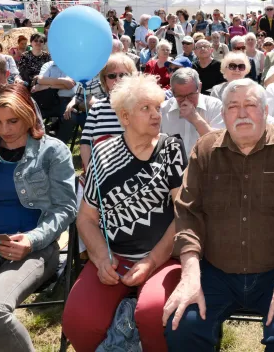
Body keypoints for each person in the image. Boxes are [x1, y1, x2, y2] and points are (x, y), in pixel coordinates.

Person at [163, 78, 274, 351]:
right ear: (223, 115)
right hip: (215, 272)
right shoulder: (206, 149)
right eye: (233, 107)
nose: (242, 113)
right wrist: (189, 273)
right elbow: (188, 212)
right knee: (182, 327)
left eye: (250, 105)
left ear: (266, 111)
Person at [62, 74, 187, 352]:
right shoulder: (103, 153)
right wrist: (100, 256)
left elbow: (184, 214)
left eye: (157, 107)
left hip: (164, 259)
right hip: (114, 260)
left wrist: (152, 262)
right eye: (146, 109)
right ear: (125, 117)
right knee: (78, 321)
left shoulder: (171, 149)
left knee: (154, 314)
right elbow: (86, 218)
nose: (156, 115)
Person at [0, 84, 77, 352]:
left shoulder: (52, 151)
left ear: (28, 114)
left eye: (13, 120)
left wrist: (30, 240)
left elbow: (65, 208)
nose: (5, 129)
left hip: (35, 249)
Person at [79, 55, 136, 170]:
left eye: (123, 75)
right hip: (102, 172)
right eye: (112, 75)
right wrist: (92, 172)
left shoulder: (141, 107)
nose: (118, 79)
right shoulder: (96, 108)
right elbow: (85, 143)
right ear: (104, 80)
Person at [161, 68, 224, 157]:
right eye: (180, 96)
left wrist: (195, 119)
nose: (186, 100)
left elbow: (219, 143)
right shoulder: (163, 109)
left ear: (200, 87)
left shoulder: (215, 106)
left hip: (206, 167)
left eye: (191, 95)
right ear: (172, 92)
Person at [32, 59, 77, 143]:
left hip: (65, 100)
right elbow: (40, 80)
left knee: (70, 117)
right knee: (31, 117)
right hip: (47, 100)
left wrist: (46, 86)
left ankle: (59, 146)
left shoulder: (73, 66)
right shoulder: (48, 65)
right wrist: (63, 81)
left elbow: (70, 85)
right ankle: (37, 144)